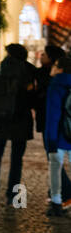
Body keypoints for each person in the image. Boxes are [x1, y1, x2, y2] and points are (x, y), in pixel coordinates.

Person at [0, 43, 36, 206]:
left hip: (0, 119)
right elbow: (32, 98)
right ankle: (12, 195)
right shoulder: (28, 73)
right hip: (21, 120)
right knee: (16, 159)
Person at [41, 56, 71, 218]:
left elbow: (53, 116)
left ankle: (56, 203)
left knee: (55, 169)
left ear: (60, 69)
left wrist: (50, 140)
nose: (52, 67)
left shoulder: (56, 85)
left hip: (59, 136)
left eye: (55, 65)